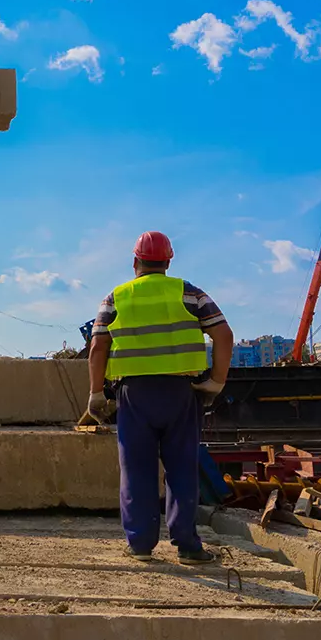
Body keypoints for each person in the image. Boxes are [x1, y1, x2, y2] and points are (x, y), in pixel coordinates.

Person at [85, 231, 234, 564]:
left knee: (136, 469)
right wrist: (216, 382)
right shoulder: (189, 293)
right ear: (167, 262)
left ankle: (139, 545)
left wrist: (96, 393)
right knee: (182, 468)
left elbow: (98, 347)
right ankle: (188, 547)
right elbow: (223, 334)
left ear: (135, 261)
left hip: (134, 396)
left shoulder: (115, 297)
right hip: (181, 394)